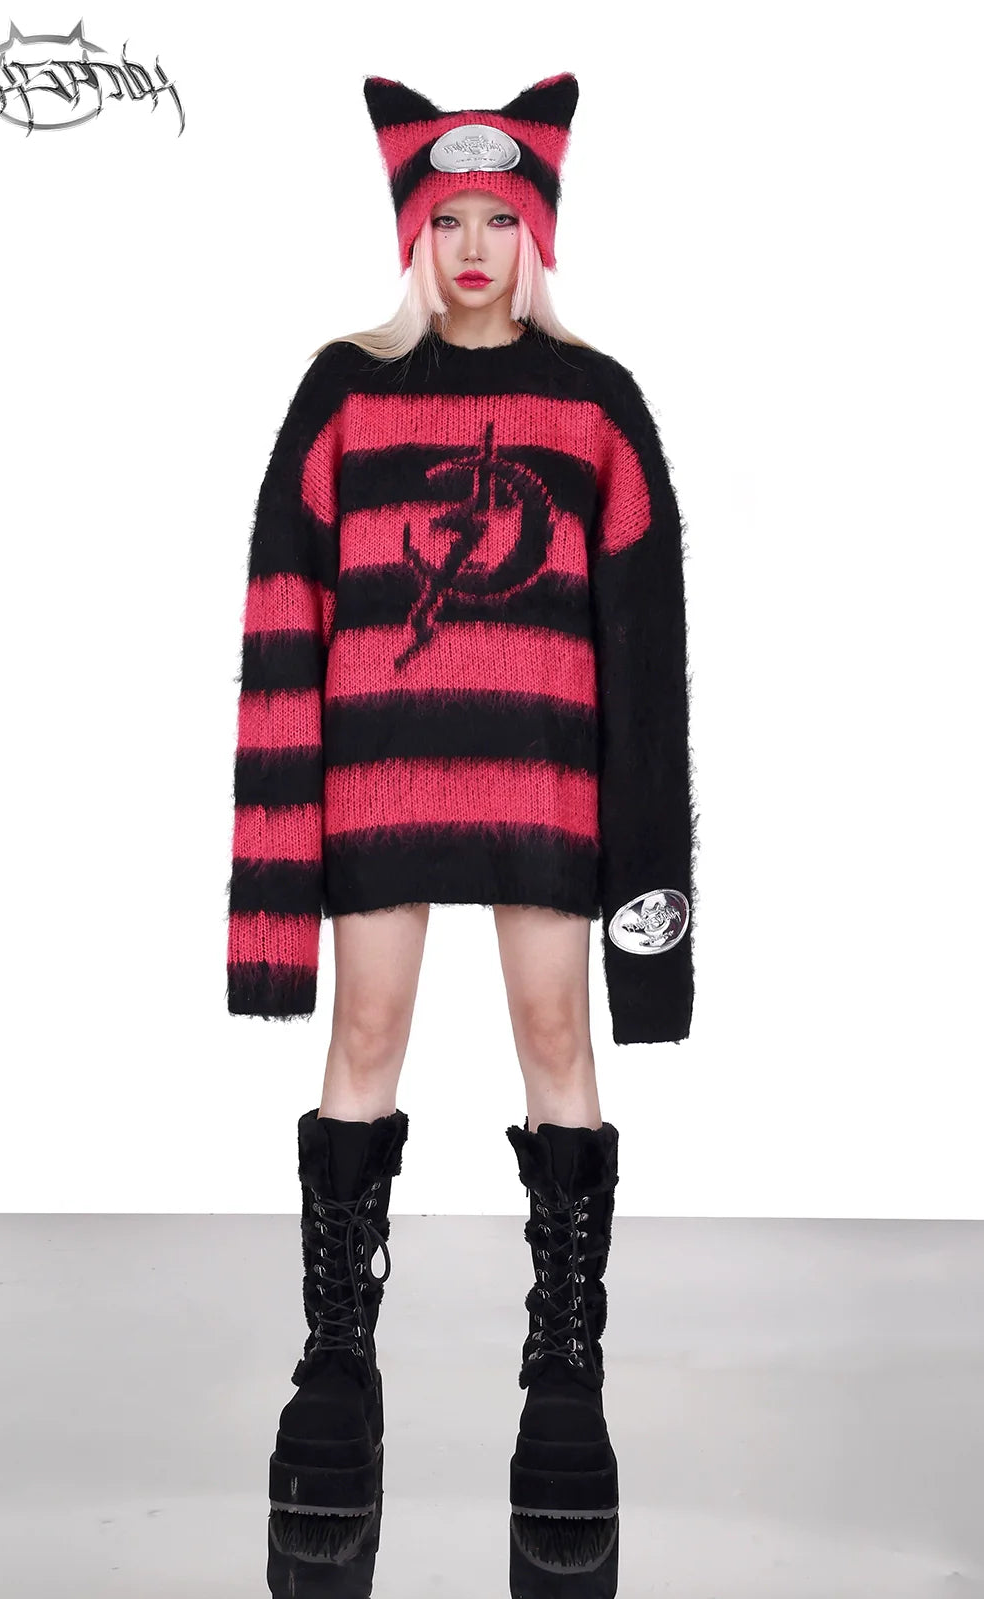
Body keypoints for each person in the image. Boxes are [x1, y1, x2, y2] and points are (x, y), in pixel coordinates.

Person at [227, 72, 697, 1591]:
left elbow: (645, 659)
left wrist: (655, 920)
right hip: (379, 777)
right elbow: (284, 619)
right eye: (450, 221)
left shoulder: (596, 403)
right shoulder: (343, 395)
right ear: (414, 237)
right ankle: (336, 1361)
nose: (477, 246)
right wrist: (270, 897)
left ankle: (566, 1371)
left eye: (502, 218)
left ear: (537, 233)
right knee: (364, 1036)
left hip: (547, 783)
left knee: (559, 1042)